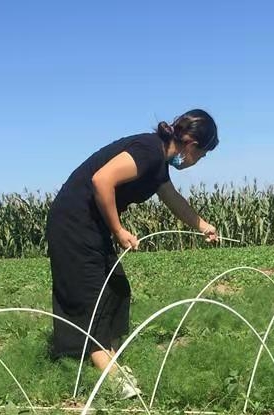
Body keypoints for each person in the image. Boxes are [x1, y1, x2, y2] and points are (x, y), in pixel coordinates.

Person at [45, 109, 219, 398]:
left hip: (90, 227)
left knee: (115, 290)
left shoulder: (158, 164)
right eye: (201, 155)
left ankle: (111, 364)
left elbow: (172, 198)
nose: (196, 162)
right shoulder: (148, 151)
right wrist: (118, 229)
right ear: (190, 144)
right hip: (73, 224)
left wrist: (202, 225)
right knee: (91, 300)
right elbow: (102, 180)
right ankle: (116, 384)